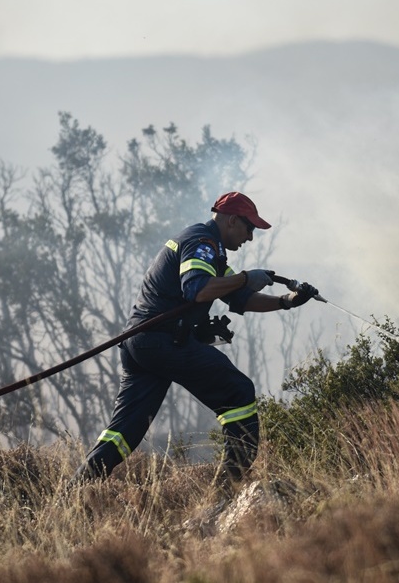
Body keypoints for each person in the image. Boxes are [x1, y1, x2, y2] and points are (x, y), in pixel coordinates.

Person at [71, 190, 319, 496]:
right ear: (231, 221)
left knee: (124, 433)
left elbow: (238, 298)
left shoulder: (212, 251)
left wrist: (286, 301)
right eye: (249, 228)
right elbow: (198, 290)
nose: (250, 238)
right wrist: (244, 277)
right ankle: (229, 489)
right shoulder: (202, 242)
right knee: (238, 392)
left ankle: (72, 495)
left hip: (141, 345)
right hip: (161, 340)